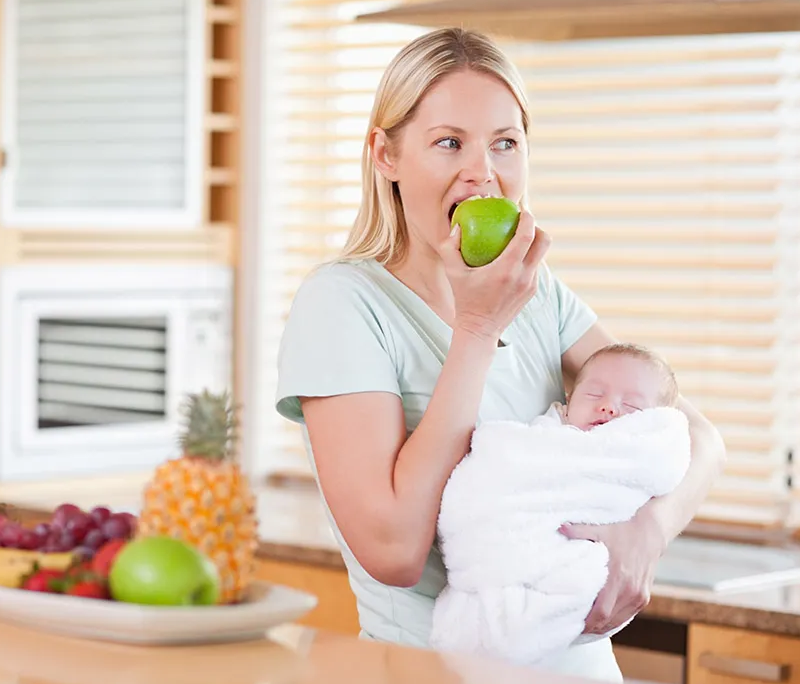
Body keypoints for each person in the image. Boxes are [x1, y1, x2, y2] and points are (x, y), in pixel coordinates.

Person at [275, 27, 726, 683]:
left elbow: (700, 437)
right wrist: (477, 327)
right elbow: (393, 550)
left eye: (504, 143)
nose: (481, 171)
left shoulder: (538, 295)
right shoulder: (342, 304)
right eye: (448, 142)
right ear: (385, 154)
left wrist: (645, 534)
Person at [430, 342, 692, 667]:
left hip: (572, 578)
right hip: (495, 558)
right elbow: (492, 473)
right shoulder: (541, 439)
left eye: (632, 407)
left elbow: (668, 469)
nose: (609, 407)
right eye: (594, 395)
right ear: (569, 402)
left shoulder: (638, 457)